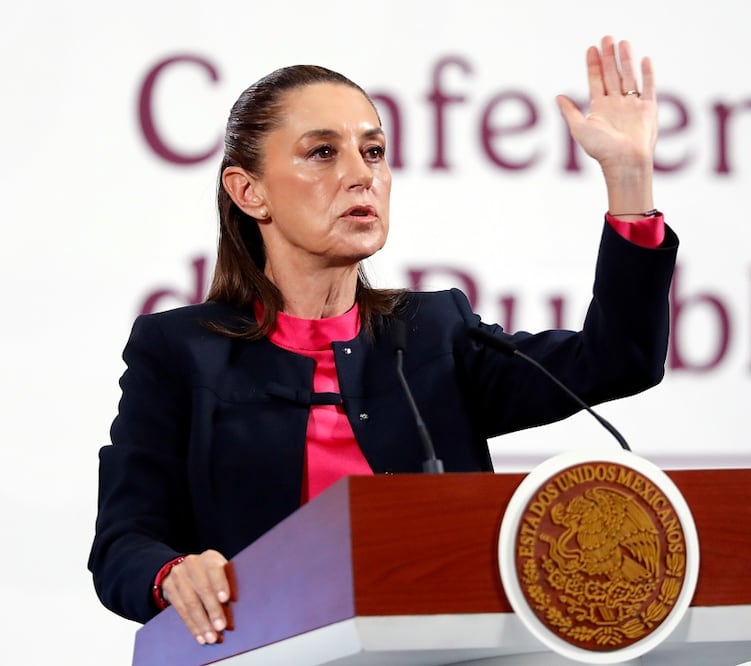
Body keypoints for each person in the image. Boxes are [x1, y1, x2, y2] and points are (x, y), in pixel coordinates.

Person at [89, 36, 678, 646]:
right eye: (322, 152)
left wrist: (629, 175)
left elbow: (620, 359)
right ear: (249, 192)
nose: (360, 175)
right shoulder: (179, 350)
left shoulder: (433, 335)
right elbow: (123, 545)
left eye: (374, 152)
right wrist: (175, 573)